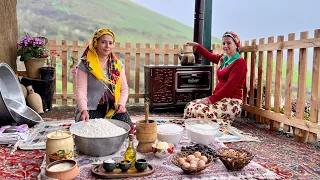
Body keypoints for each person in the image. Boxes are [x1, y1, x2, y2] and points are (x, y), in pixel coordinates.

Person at [183, 31, 247, 126]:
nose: (225, 45)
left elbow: (229, 87)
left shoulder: (240, 63)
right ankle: (205, 123)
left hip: (231, 102)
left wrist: (211, 99)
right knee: (190, 105)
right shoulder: (224, 59)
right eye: (224, 43)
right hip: (219, 99)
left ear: (236, 44)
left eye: (229, 43)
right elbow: (210, 56)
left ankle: (220, 123)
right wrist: (197, 46)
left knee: (199, 110)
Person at [75, 28, 132, 126]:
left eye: (110, 43)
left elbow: (124, 88)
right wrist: (83, 110)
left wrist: (121, 104)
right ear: (96, 43)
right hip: (90, 108)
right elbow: (81, 90)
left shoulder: (117, 65)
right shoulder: (85, 64)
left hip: (112, 107)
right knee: (93, 129)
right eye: (103, 42)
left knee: (126, 127)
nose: (107, 46)